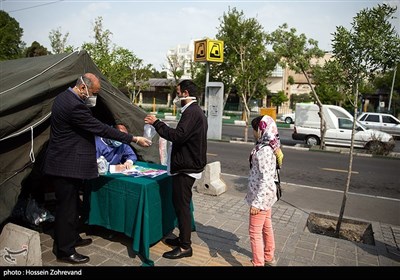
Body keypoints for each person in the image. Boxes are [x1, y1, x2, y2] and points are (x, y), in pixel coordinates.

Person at [42, 73, 151, 265]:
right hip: (66, 165)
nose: (95, 97)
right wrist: (133, 139)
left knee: (72, 205)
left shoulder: (63, 96)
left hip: (66, 163)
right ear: (83, 87)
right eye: (94, 93)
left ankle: (72, 238)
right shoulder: (74, 105)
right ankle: (65, 251)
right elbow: (100, 128)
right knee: (66, 209)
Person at [144, 79, 207, 259]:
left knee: (182, 207)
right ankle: (182, 239)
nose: (176, 96)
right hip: (187, 165)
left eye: (178, 92)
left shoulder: (192, 112)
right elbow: (183, 135)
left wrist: (157, 123)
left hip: (186, 168)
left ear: (186, 93)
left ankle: (185, 246)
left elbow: (178, 137)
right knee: (180, 205)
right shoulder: (193, 112)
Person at [246, 115, 283, 267]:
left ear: (261, 129)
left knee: (254, 232)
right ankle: (268, 257)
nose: (253, 133)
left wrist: (257, 203)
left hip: (261, 198)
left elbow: (266, 179)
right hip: (267, 196)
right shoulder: (271, 146)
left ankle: (258, 263)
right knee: (266, 226)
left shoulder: (264, 151)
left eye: (254, 129)